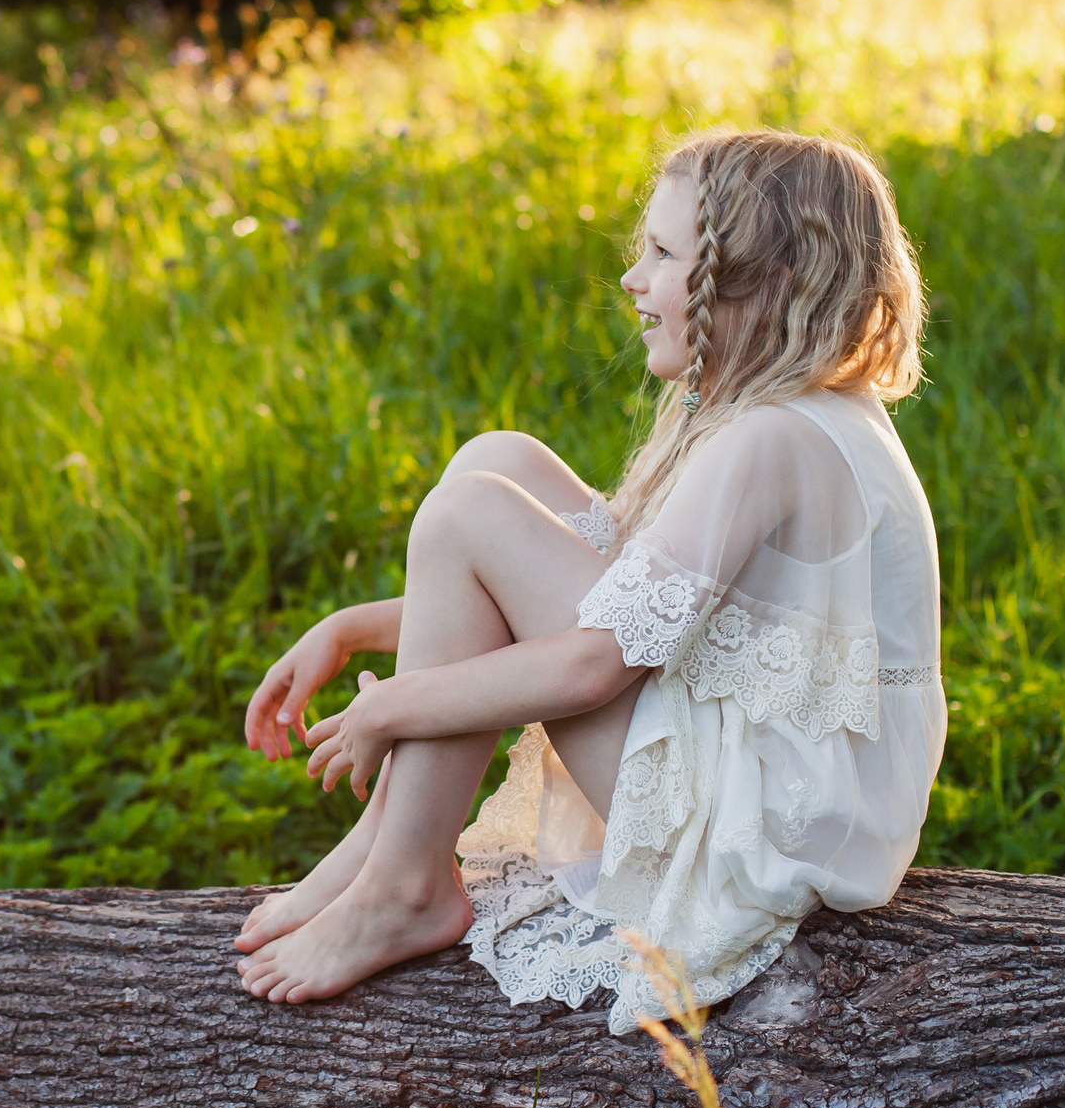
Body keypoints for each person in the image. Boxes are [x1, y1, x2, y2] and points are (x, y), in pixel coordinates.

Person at [233, 129, 946, 1024]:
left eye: (661, 254)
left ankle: (406, 883)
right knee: (502, 460)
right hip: (781, 797)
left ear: (747, 282)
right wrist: (353, 627)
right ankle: (383, 845)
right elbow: (626, 587)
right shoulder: (807, 413)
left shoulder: (773, 438)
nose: (632, 279)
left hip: (759, 838)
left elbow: (590, 665)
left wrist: (388, 706)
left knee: (468, 515)